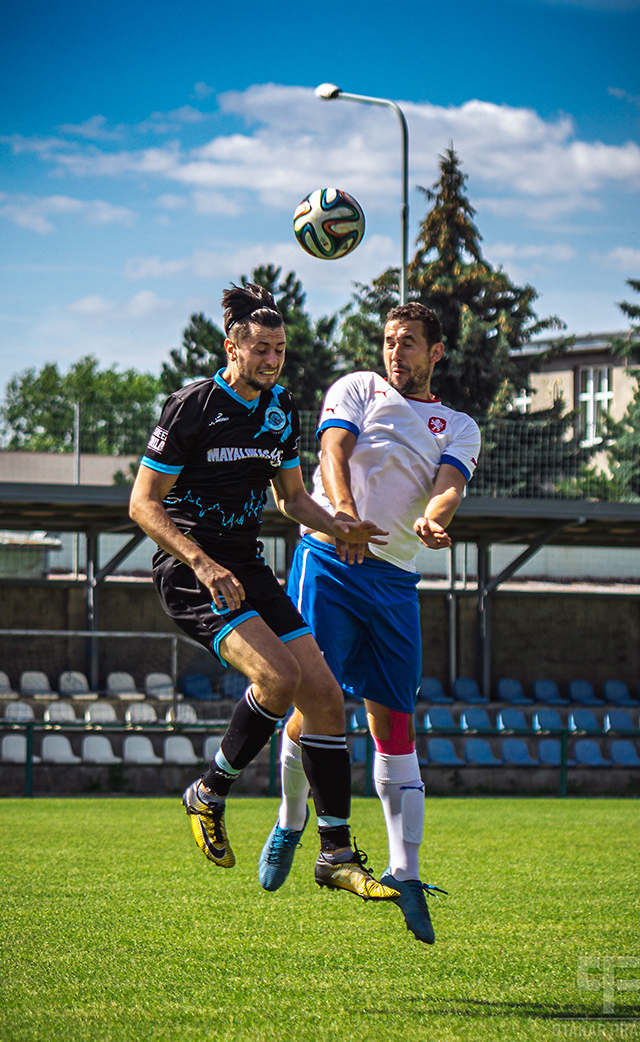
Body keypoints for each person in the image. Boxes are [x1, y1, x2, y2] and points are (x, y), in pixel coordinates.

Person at [129, 283, 399, 903]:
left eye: (280, 350)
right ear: (232, 347)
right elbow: (143, 504)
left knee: (326, 697)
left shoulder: (280, 408)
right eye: (261, 350)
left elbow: (291, 499)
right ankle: (210, 790)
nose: (272, 361)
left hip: (248, 567)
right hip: (193, 570)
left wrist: (339, 523)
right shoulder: (192, 407)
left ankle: (334, 853)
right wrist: (200, 561)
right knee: (277, 679)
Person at [258, 301, 481, 944]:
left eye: (409, 342)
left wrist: (437, 517)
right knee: (313, 704)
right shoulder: (356, 388)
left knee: (394, 720)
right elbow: (332, 452)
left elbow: (448, 486)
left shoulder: (458, 425)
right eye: (389, 340)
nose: (395, 352)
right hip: (329, 558)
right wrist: (345, 518)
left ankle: (405, 871)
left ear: (435, 352)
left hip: (395, 581)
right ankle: (292, 818)